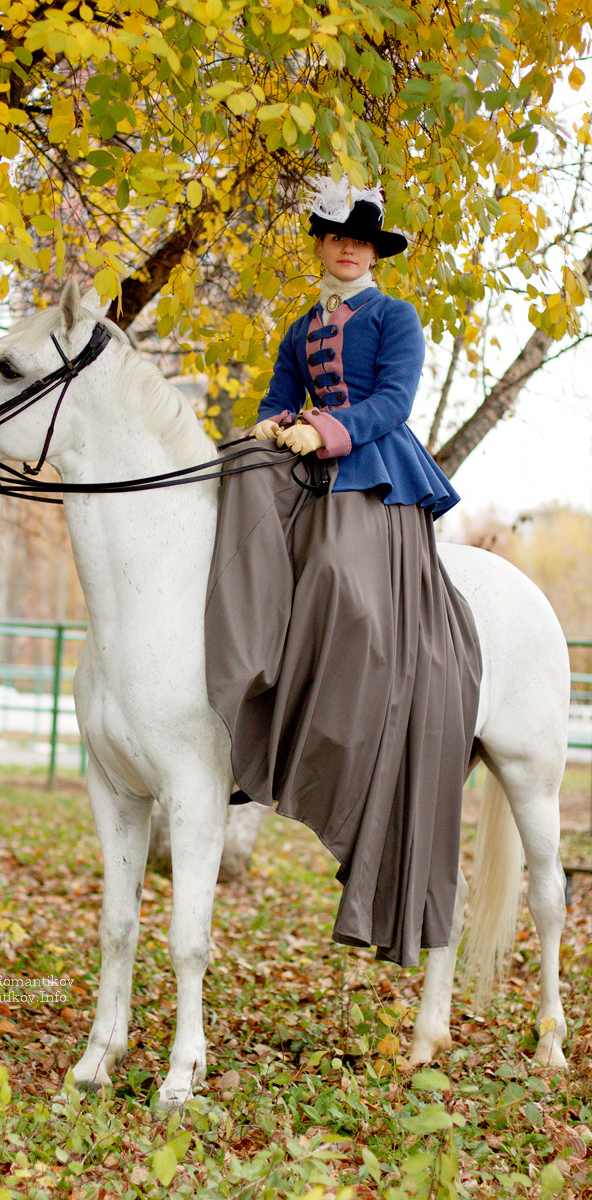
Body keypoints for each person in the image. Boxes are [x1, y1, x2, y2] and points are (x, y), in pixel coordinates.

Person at [204, 177, 482, 968]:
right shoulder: (300, 325)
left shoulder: (396, 317)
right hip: (306, 465)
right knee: (237, 481)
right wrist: (272, 421)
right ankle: (247, 698)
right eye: (335, 237)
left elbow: (392, 403)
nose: (347, 248)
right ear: (323, 245)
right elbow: (278, 393)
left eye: (360, 239)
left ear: (374, 250)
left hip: (373, 472)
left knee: (332, 574)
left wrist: (323, 430)